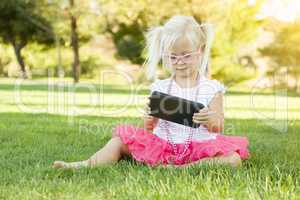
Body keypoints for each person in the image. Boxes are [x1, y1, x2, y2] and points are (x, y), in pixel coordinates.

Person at [53, 15, 249, 169]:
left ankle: (182, 168)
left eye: (186, 56)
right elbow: (148, 128)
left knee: (233, 160)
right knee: (119, 141)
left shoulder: (211, 88)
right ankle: (87, 164)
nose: (179, 62)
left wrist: (209, 119)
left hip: (198, 147)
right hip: (163, 145)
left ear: (200, 50)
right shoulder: (160, 87)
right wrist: (149, 119)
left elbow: (218, 126)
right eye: (173, 57)